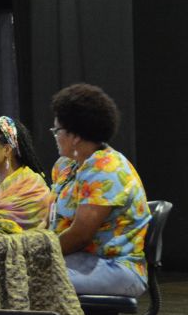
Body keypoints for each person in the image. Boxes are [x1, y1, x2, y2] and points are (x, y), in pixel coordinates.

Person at [49, 83, 151, 297]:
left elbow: (80, 235)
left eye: (57, 130)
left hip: (117, 268)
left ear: (75, 135)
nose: (55, 135)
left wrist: (39, 253)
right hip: (81, 259)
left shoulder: (106, 169)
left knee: (28, 282)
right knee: (14, 273)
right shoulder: (66, 166)